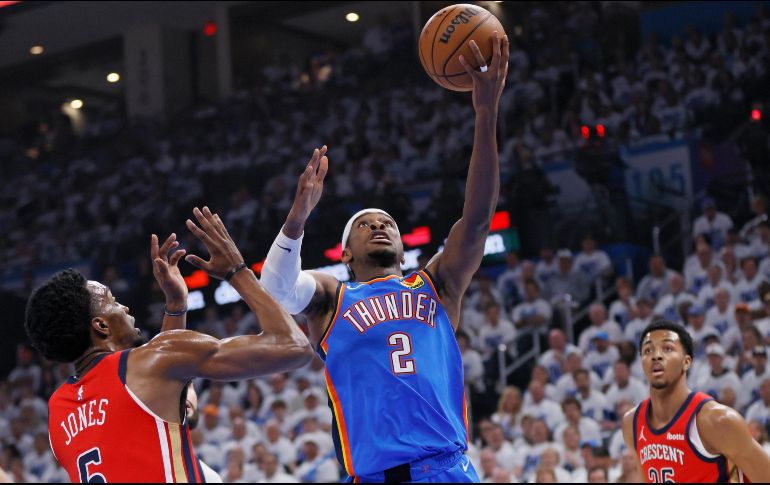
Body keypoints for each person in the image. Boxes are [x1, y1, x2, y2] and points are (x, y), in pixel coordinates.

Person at [259, 32, 510, 483]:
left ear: (401, 242)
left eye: (387, 222)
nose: (379, 225)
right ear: (347, 252)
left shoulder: (436, 284)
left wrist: (485, 112)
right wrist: (297, 217)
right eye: (365, 224)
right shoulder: (332, 297)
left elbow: (476, 220)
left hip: (447, 469)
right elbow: (275, 289)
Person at [29, 207, 313, 482]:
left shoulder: (58, 411)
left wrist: (176, 308)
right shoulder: (147, 363)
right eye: (112, 301)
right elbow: (294, 347)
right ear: (100, 326)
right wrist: (237, 271)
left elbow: (152, 410)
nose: (124, 307)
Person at [622, 320, 770, 482]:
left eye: (667, 348)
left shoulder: (717, 420)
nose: (656, 355)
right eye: (648, 350)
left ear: (687, 362)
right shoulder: (632, 423)